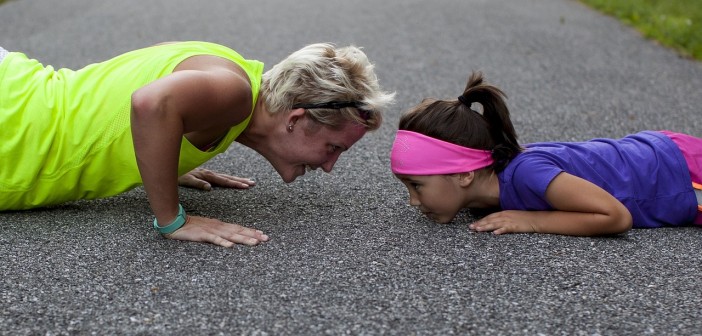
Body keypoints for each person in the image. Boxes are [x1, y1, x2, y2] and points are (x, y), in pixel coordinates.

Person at [0, 41, 394, 247]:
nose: (330, 166)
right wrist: (173, 219)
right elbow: (150, 103)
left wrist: (163, 157)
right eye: (333, 148)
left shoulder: (234, 76)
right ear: (296, 120)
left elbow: (129, 95)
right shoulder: (234, 93)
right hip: (13, 126)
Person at [390, 71, 702, 236]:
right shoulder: (485, 194)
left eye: (417, 185)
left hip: (681, 173)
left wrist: (532, 221)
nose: (413, 201)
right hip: (665, 155)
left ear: (464, 173)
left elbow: (615, 216)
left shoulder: (526, 174)